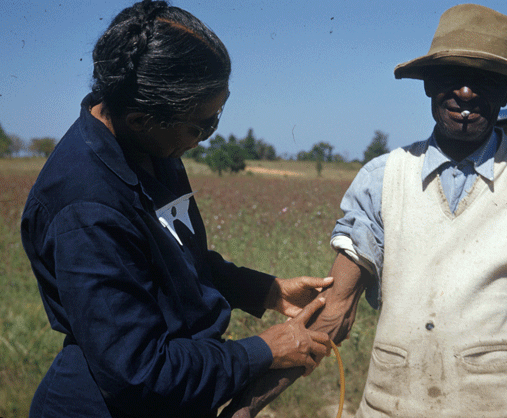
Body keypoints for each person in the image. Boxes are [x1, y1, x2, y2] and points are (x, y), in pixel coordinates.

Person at [222, 4, 507, 418]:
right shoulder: (381, 178)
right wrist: (246, 406)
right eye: (452, 77)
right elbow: (335, 310)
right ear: (427, 83)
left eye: (485, 81)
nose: (467, 94)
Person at [20, 1, 333, 417]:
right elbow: (139, 372)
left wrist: (265, 290)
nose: (205, 136)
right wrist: (262, 351)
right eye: (200, 125)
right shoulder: (87, 209)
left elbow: (174, 266)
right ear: (140, 119)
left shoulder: (151, 145)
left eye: (216, 118)